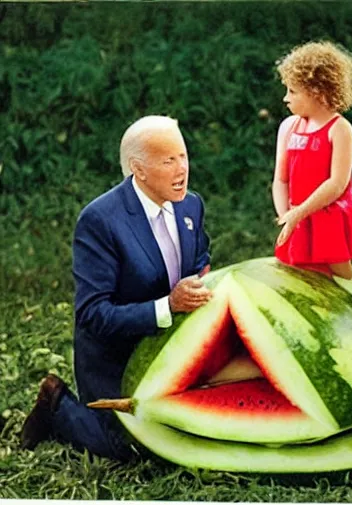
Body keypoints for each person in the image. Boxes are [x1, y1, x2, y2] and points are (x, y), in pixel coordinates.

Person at [20, 115, 213, 460]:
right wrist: (168, 306)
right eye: (168, 160)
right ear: (138, 169)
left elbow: (201, 258)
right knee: (131, 447)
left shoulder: (191, 204)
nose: (182, 168)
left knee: (194, 429)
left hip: (172, 344)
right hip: (115, 354)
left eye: (183, 156)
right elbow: (93, 314)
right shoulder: (100, 221)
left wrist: (202, 279)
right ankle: (57, 405)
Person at [272, 41, 352, 280]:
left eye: (292, 91)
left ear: (318, 93)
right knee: (295, 271)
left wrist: (300, 212)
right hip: (297, 214)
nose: (285, 98)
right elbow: (280, 180)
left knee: (339, 273)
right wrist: (287, 216)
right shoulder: (288, 127)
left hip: (330, 214)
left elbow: (337, 184)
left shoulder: (340, 129)